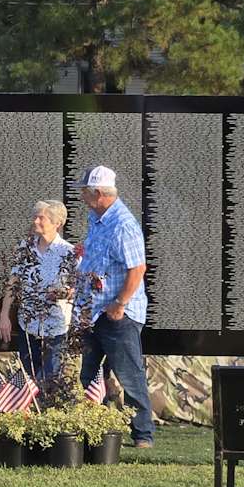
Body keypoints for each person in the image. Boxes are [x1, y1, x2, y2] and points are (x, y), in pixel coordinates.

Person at [75, 166, 155, 448]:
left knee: (129, 375)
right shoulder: (95, 218)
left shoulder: (123, 224)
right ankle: (86, 428)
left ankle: (143, 434)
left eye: (84, 191)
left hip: (117, 315)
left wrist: (119, 304)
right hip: (93, 312)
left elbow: (138, 268)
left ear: (98, 193)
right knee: (87, 375)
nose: (81, 196)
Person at [0, 200, 75, 382]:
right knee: (29, 380)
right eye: (35, 216)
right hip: (28, 325)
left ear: (57, 223)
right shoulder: (25, 248)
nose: (36, 221)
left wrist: (64, 293)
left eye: (42, 218)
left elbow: (79, 289)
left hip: (56, 328)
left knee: (50, 381)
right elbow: (13, 282)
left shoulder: (68, 252)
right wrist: (4, 315)